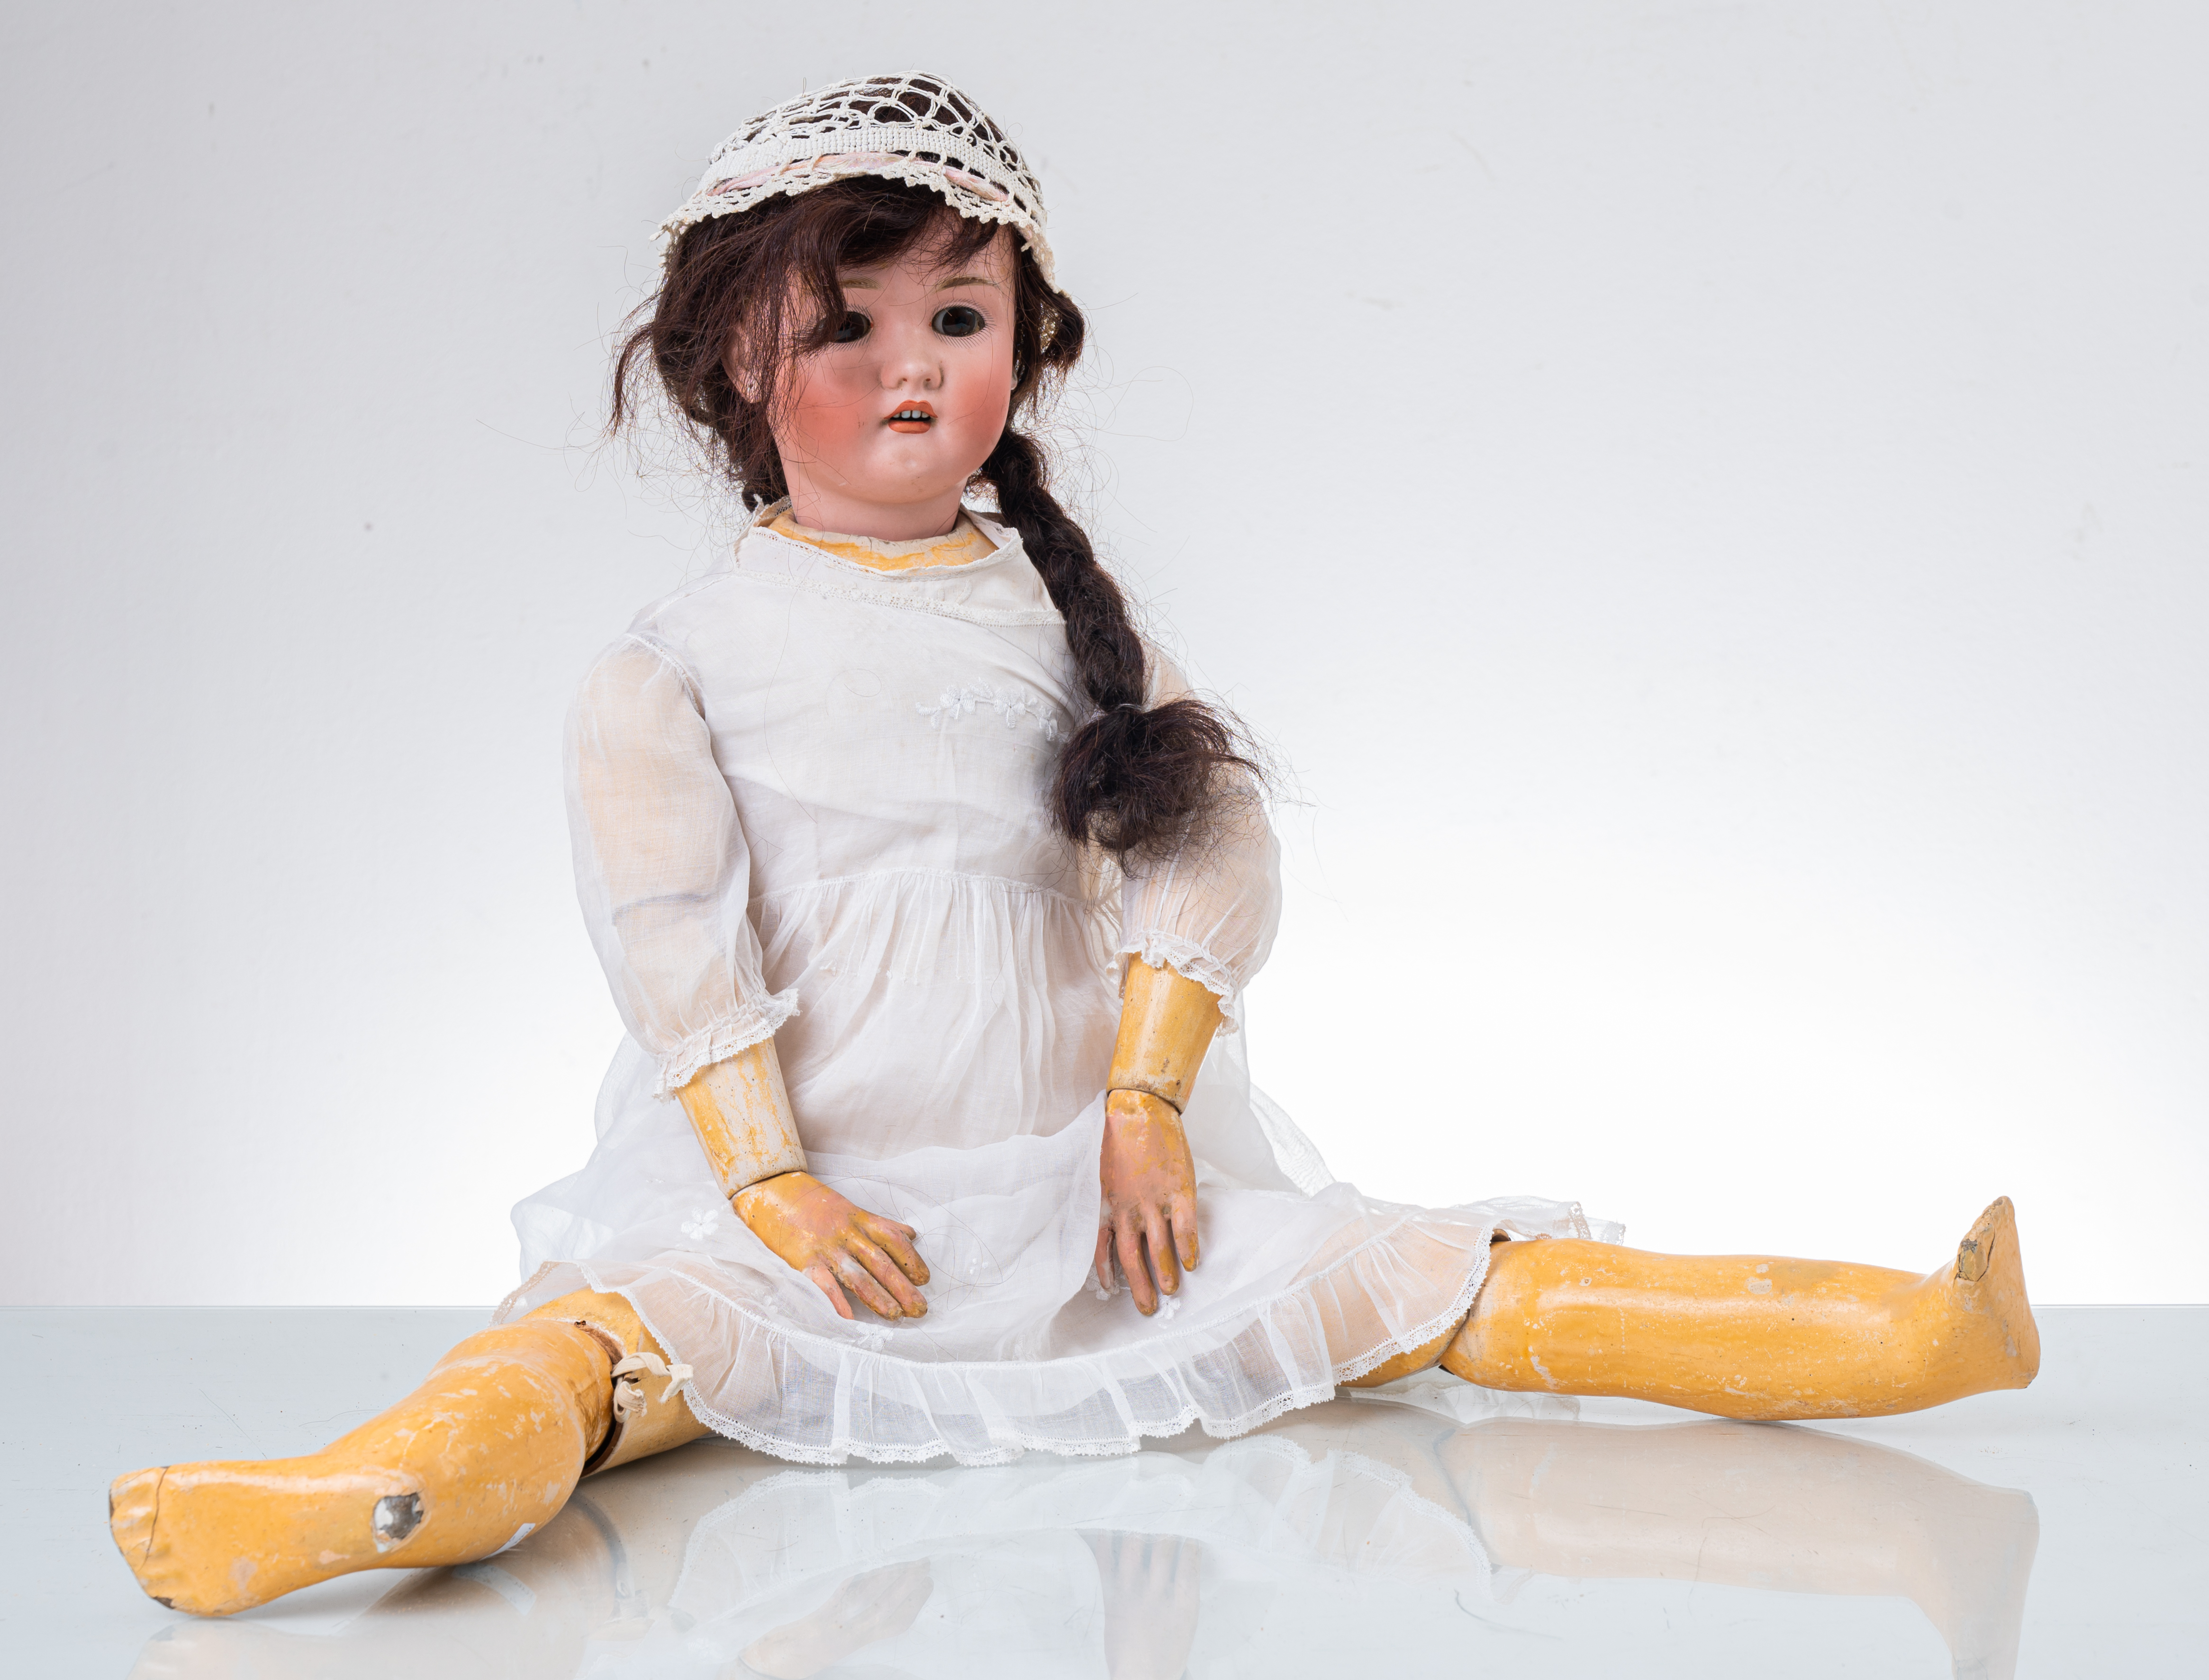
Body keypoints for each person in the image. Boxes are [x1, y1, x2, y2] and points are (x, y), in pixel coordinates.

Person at [109, 73, 2037, 1619]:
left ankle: (1898, 1327)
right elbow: (670, 929)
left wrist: (1144, 1100)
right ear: (731, 362)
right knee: (600, 1353)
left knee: (1432, 1279)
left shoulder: (1063, 623)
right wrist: (772, 1187)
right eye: (846, 327)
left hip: (1099, 1191)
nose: (911, 368)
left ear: (1025, 346)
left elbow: (1207, 855)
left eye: (958, 320)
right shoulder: (677, 661)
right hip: (814, 1211)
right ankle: (377, 1489)